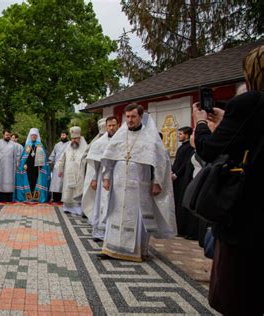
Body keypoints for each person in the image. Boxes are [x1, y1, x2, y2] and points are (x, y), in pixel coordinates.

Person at [192, 45, 263, 314]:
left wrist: (201, 123)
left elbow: (210, 149)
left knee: (238, 294)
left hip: (247, 215)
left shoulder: (252, 102)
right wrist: (227, 120)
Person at [99, 104, 176, 262]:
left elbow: (161, 162)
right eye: (127, 117)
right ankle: (109, 249)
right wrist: (106, 177)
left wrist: (157, 182)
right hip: (119, 186)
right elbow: (108, 158)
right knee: (115, 213)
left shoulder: (150, 137)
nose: (130, 120)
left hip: (139, 187)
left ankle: (137, 251)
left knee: (137, 217)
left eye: (133, 117)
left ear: (141, 117)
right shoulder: (120, 136)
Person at [87, 116, 119, 241]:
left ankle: (113, 232)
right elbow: (95, 164)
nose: (111, 128)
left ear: (118, 125)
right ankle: (99, 232)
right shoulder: (99, 143)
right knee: (101, 202)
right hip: (102, 176)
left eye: (114, 125)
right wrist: (94, 179)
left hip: (117, 176)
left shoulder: (122, 141)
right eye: (109, 125)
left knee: (116, 203)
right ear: (106, 126)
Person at [57, 126, 88, 215]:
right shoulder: (68, 146)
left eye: (76, 138)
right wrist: (60, 169)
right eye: (72, 138)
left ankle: (77, 208)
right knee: (68, 190)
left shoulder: (85, 147)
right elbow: (62, 158)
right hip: (68, 172)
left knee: (77, 191)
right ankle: (67, 207)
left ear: (79, 137)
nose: (74, 140)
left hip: (79, 173)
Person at [171, 126, 195, 238]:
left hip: (182, 179)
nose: (178, 136)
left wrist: (176, 174)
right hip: (176, 178)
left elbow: (185, 164)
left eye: (180, 134)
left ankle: (182, 229)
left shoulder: (189, 148)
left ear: (187, 135)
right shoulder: (182, 147)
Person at [14, 128, 50, 202]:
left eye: (35, 135)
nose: (33, 137)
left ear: (37, 136)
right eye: (32, 135)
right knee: (29, 181)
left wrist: (42, 166)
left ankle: (37, 197)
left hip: (37, 168)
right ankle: (29, 197)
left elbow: (44, 157)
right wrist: (24, 164)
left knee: (36, 181)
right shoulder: (27, 145)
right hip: (28, 167)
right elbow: (23, 157)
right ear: (30, 136)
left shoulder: (40, 145)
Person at [81, 118, 107, 220]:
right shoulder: (95, 142)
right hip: (96, 173)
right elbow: (86, 156)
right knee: (95, 197)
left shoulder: (116, 140)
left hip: (109, 175)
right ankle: (92, 215)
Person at [0, 130, 20, 202]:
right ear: (3, 135)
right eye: (6, 135)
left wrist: (17, 163)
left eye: (9, 135)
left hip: (10, 166)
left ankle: (8, 198)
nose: (8, 136)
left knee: (8, 181)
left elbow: (17, 155)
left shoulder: (14, 145)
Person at [48, 131, 69, 202]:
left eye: (64, 135)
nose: (62, 136)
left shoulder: (69, 144)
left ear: (67, 136)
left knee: (63, 182)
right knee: (55, 183)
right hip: (57, 166)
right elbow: (53, 154)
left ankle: (63, 198)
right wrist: (50, 161)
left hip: (65, 166)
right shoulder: (57, 145)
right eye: (62, 135)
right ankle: (55, 198)